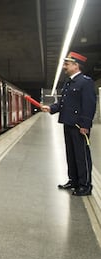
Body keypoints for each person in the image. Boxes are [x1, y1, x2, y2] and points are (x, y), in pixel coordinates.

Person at [41, 51, 96, 196]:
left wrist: (85, 125)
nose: (64, 67)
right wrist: (51, 108)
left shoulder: (86, 82)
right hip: (68, 123)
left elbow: (89, 105)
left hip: (79, 126)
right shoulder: (68, 82)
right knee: (71, 154)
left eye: (67, 64)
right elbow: (63, 103)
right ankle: (74, 180)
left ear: (76, 65)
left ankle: (85, 185)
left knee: (81, 155)